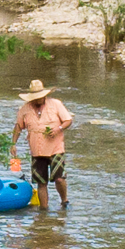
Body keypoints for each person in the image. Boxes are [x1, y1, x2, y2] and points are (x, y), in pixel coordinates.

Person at [11, 78, 74, 207]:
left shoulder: (55, 104)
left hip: (55, 148)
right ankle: (43, 211)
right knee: (41, 182)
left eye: (39, 97)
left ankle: (64, 200)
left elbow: (68, 120)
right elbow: (18, 127)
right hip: (37, 150)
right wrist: (13, 144)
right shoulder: (24, 109)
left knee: (59, 178)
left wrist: (58, 129)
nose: (37, 100)